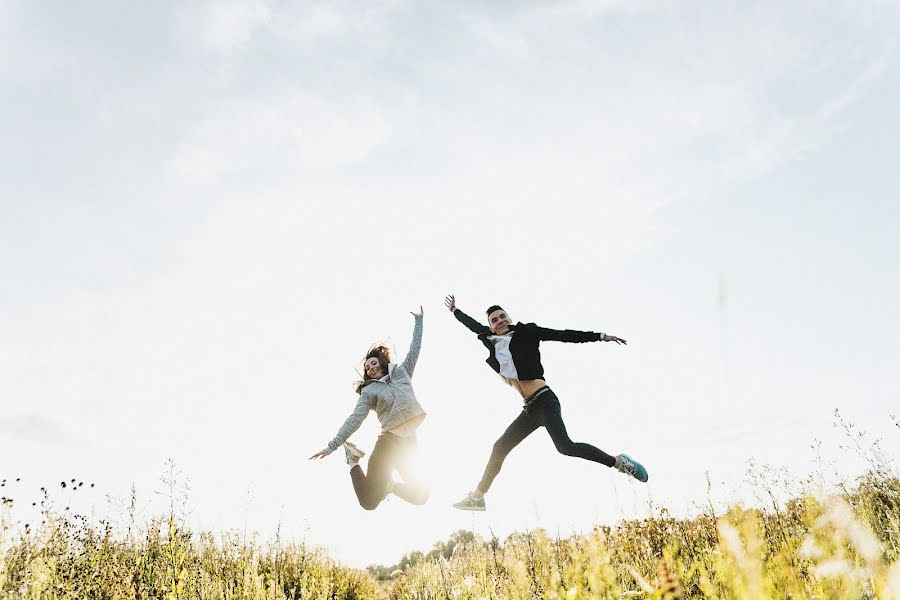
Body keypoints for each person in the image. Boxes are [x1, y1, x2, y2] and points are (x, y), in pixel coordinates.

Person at [444, 295, 647, 511]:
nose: (500, 320)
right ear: (491, 327)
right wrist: (455, 311)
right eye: (494, 320)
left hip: (545, 400)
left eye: (503, 316)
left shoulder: (527, 333)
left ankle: (619, 462)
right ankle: (477, 497)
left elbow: (562, 335)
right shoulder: (490, 339)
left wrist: (600, 336)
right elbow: (474, 326)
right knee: (500, 447)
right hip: (529, 409)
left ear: (510, 318)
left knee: (565, 447)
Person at [310, 308, 429, 510]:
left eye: (373, 363)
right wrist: (332, 446)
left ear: (382, 362)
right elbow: (355, 418)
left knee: (421, 495)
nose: (370, 367)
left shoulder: (402, 373)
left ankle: (390, 486)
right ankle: (352, 459)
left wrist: (419, 321)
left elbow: (415, 349)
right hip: (388, 445)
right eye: (367, 367)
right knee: (368, 502)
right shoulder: (369, 391)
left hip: (409, 443)